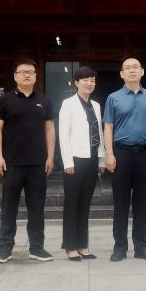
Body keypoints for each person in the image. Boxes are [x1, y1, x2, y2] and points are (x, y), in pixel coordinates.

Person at [0, 58, 55, 264]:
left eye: (30, 72)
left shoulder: (44, 101)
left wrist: (50, 156)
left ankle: (37, 248)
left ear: (36, 76)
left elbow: (50, 130)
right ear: (15, 76)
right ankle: (4, 249)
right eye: (22, 72)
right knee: (8, 208)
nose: (27, 75)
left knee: (37, 209)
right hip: (12, 164)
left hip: (38, 164)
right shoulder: (5, 101)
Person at [103, 57, 146, 262]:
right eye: (127, 68)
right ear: (121, 74)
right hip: (121, 154)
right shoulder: (113, 98)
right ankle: (120, 247)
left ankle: (142, 247)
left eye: (136, 67)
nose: (132, 70)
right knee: (120, 203)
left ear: (142, 71)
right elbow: (108, 126)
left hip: (145, 154)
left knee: (142, 203)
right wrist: (109, 153)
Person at [58, 66, 106, 261]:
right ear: (76, 83)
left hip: (92, 159)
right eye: (85, 80)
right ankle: (70, 246)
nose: (89, 83)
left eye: (92, 80)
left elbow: (99, 133)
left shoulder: (96, 105)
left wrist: (101, 159)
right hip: (75, 160)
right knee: (72, 204)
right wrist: (67, 162)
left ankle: (83, 245)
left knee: (85, 204)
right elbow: (64, 135)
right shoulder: (68, 104)